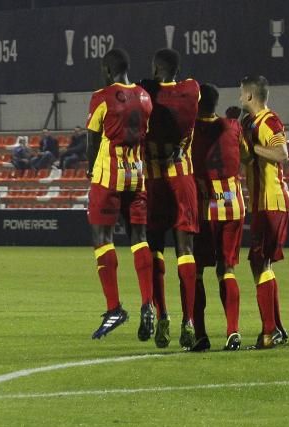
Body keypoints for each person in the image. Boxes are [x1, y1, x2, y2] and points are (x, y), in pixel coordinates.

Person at [85, 48, 155, 341]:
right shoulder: (144, 97)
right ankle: (148, 303)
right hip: (136, 175)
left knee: (102, 239)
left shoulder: (101, 97)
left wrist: (91, 173)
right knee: (139, 239)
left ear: (107, 69)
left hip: (108, 176)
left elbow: (92, 139)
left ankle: (114, 308)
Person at [137, 48, 200, 349]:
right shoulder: (191, 90)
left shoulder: (144, 95)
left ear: (156, 69)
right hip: (182, 176)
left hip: (153, 178)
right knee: (185, 248)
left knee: (154, 248)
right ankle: (189, 320)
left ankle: (163, 315)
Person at [189, 83, 245, 351]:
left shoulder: (189, 131)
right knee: (227, 269)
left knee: (196, 272)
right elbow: (243, 156)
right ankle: (233, 331)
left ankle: (200, 335)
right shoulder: (233, 126)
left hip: (203, 206)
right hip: (233, 203)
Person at [239, 75, 289, 349]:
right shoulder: (251, 124)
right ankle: (275, 329)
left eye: (241, 93)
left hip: (272, 201)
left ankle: (269, 332)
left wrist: (253, 147)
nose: (239, 98)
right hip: (261, 203)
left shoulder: (270, 120)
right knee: (260, 263)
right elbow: (248, 157)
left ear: (249, 96)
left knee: (261, 262)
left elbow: (281, 153)